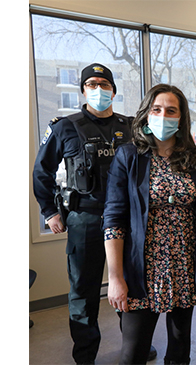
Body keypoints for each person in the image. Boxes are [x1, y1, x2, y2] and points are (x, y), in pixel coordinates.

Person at [32, 63, 145, 364]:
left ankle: (135, 347)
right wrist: (49, 212)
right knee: (83, 291)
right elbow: (41, 171)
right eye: (92, 84)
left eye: (104, 84)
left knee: (131, 285)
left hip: (127, 220)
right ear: (82, 90)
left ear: (113, 90)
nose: (99, 89)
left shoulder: (131, 126)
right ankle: (85, 356)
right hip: (86, 218)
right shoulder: (65, 127)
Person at [102, 84, 196, 364]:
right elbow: (113, 219)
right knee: (133, 353)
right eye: (156, 109)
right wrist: (116, 278)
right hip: (141, 269)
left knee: (180, 349)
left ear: (181, 118)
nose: (163, 115)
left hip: (184, 265)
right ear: (146, 114)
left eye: (171, 110)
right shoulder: (129, 156)